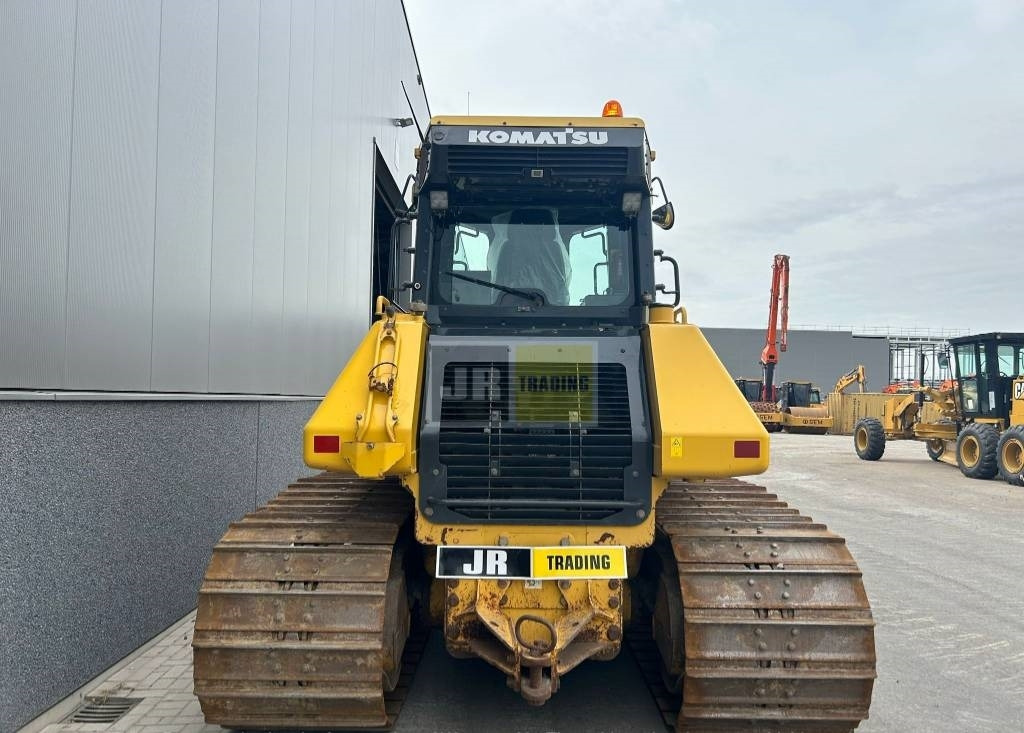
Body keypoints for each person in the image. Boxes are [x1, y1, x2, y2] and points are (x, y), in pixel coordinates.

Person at [491, 208, 569, 305]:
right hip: (510, 310)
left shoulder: (554, 250)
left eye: (541, 227)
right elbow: (498, 287)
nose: (535, 231)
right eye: (522, 227)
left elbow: (559, 290)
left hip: (548, 312)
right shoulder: (508, 250)